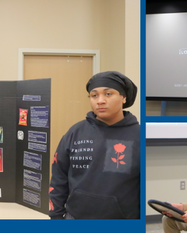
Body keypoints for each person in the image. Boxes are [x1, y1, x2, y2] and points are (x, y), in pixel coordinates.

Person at [50, 71, 140, 219]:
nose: (100, 101)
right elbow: (59, 177)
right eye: (94, 95)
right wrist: (56, 216)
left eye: (108, 94)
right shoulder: (75, 132)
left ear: (123, 97)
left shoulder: (139, 136)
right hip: (75, 218)